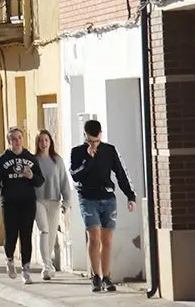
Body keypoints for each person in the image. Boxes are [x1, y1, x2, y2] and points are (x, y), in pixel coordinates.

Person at [70, 120, 136, 293]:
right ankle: (96, 277)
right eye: (90, 141)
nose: (94, 144)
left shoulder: (109, 150)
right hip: (87, 198)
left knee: (107, 239)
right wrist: (89, 159)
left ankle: (107, 276)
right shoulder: (77, 152)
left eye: (96, 140)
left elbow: (121, 173)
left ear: (101, 134)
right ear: (85, 136)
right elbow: (76, 176)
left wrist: (130, 196)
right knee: (94, 237)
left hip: (108, 198)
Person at [0, 127, 45, 285]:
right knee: (11, 234)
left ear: (23, 139)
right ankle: (9, 259)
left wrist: (32, 176)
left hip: (27, 202)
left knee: (26, 235)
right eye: (14, 138)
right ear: (9, 141)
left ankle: (26, 270)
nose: (17, 141)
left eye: (19, 138)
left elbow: (40, 181)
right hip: (10, 202)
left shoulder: (30, 158)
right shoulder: (2, 159)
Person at [33, 130, 71, 281]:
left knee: (52, 233)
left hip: (54, 201)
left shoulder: (57, 160)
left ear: (50, 142)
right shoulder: (33, 160)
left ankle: (48, 264)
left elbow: (64, 181)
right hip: (37, 200)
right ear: (37, 143)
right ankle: (47, 266)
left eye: (46, 140)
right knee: (44, 230)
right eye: (41, 140)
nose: (44, 143)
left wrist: (66, 201)